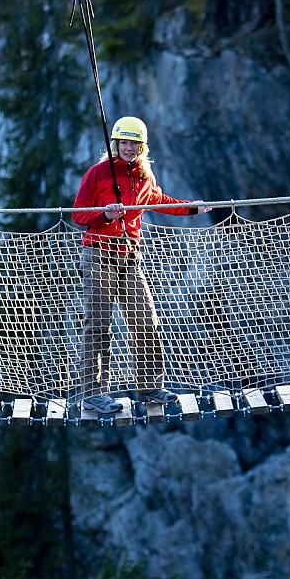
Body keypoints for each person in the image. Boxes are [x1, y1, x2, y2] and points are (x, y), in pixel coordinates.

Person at [72, 115, 211, 415]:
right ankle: (94, 393)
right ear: (115, 144)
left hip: (129, 257)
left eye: (134, 144)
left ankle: (149, 386)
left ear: (142, 147)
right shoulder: (98, 174)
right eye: (124, 142)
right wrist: (105, 216)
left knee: (146, 321)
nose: (128, 148)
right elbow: (79, 215)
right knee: (98, 325)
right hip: (98, 255)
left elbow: (159, 200)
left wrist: (191, 208)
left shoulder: (144, 176)